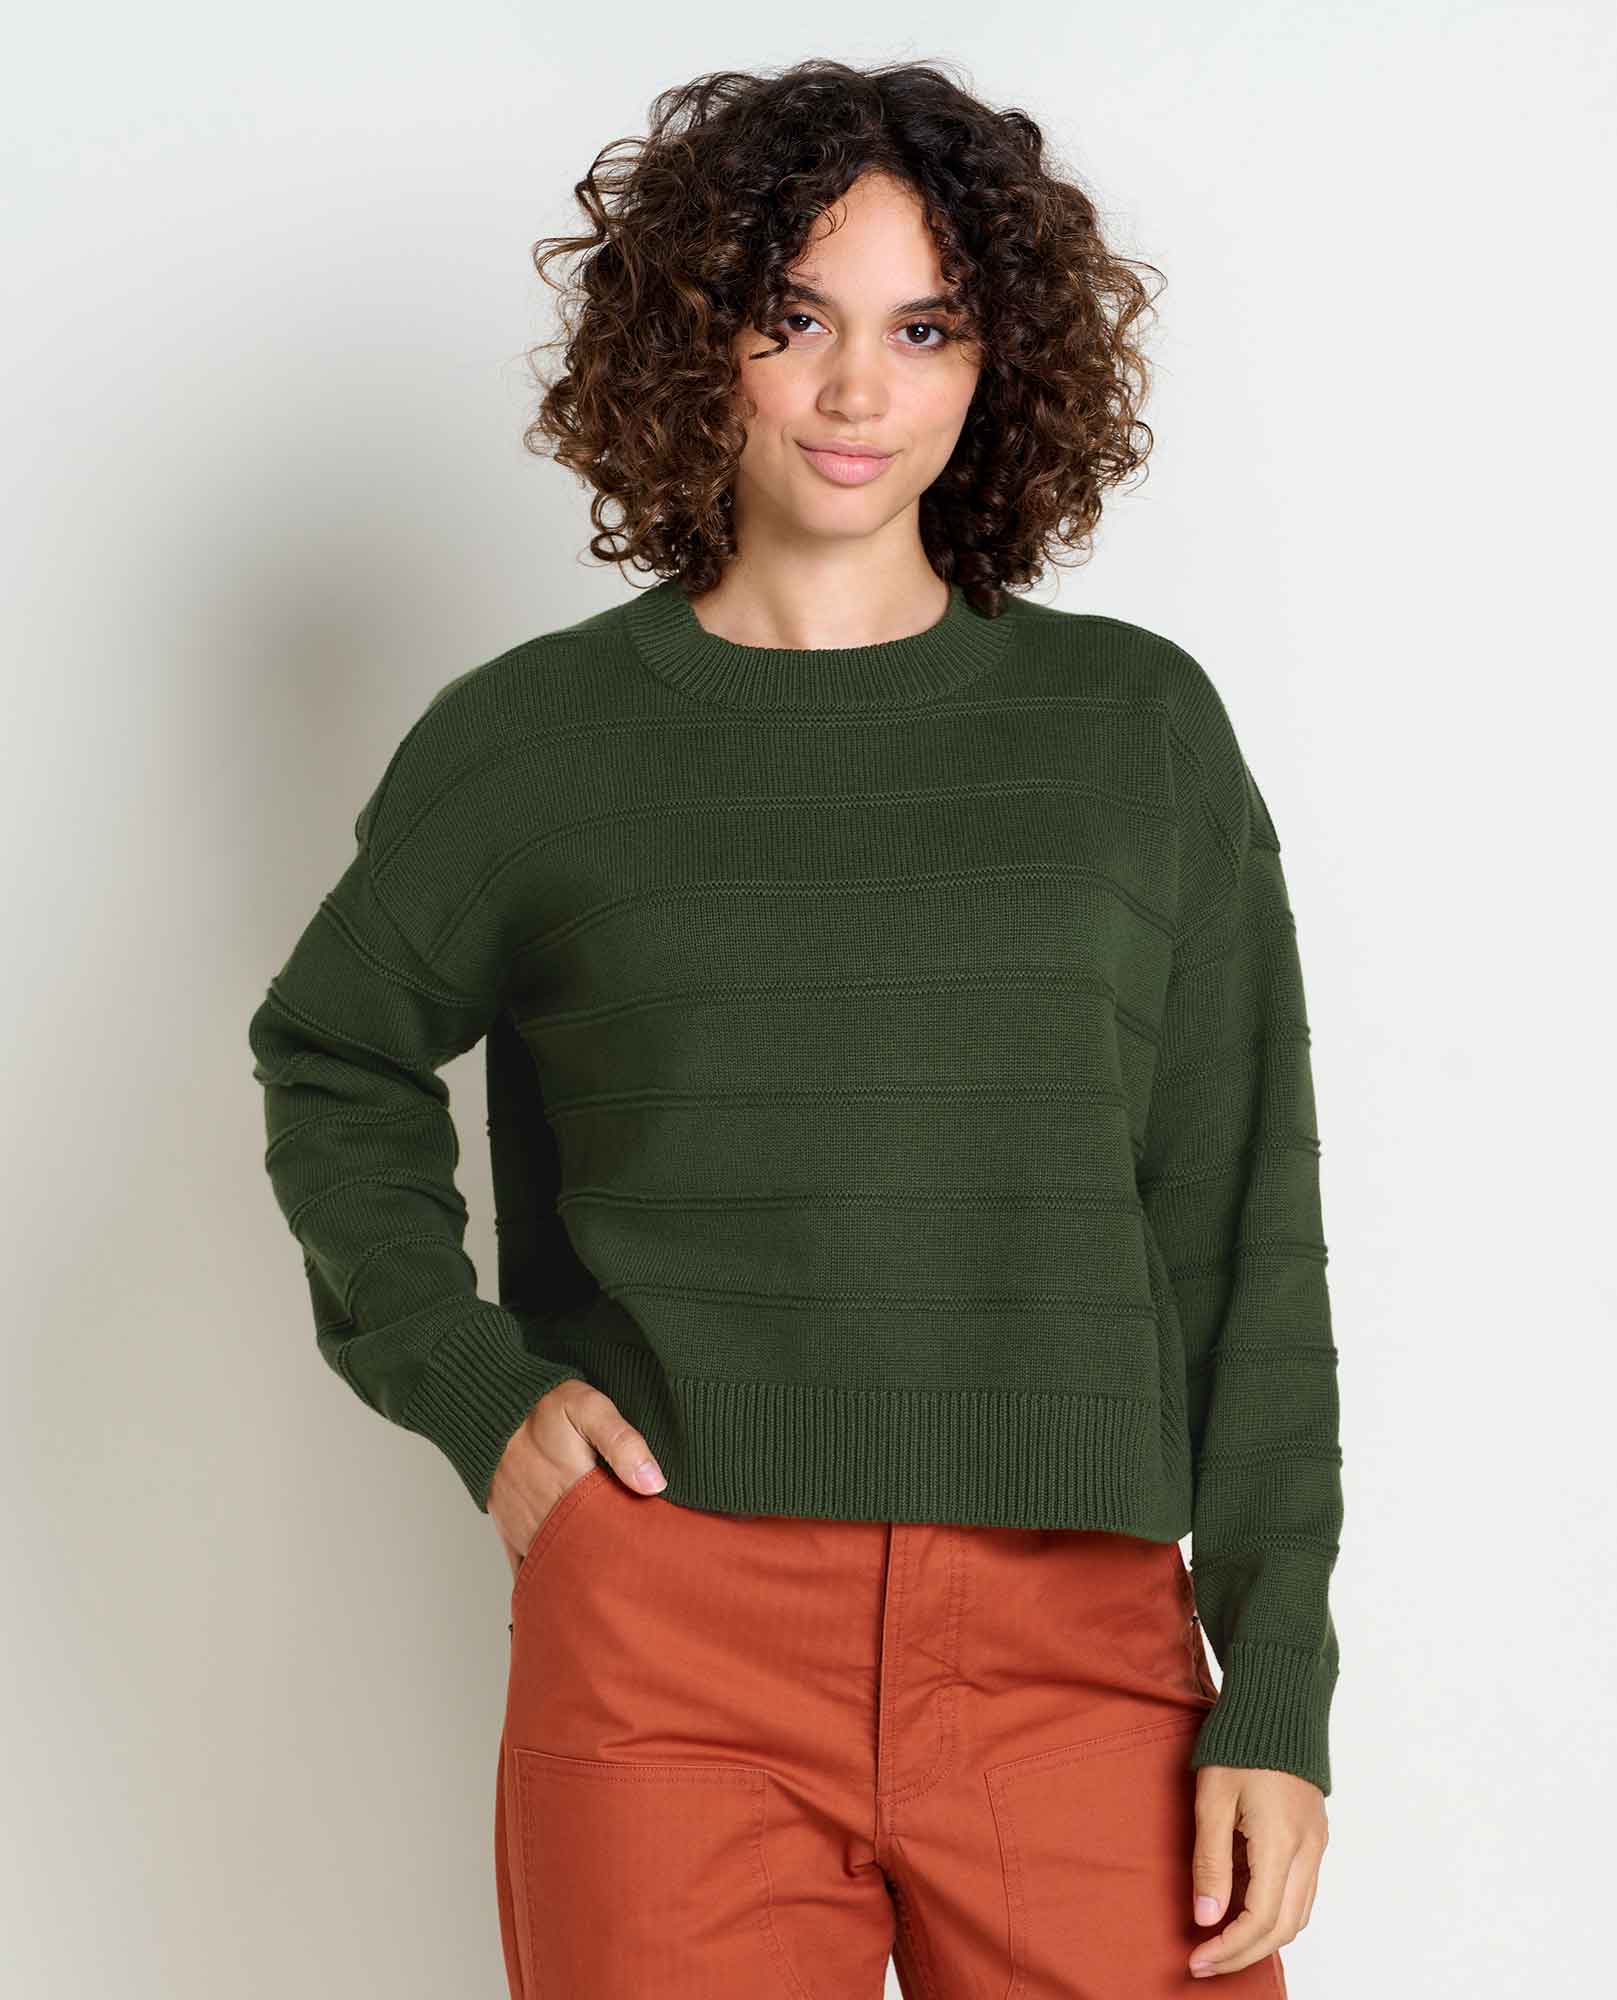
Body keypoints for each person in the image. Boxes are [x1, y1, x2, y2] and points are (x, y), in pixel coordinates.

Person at [248, 57, 1340, 1996]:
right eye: (795, 319)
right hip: (670, 1630)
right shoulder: (536, 744)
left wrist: (1278, 1689)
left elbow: (1243, 1215)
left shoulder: (1129, 730)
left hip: (1078, 1634)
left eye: (924, 328)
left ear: (999, 361)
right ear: (695, 342)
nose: (857, 392)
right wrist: (475, 1387)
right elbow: (335, 1054)